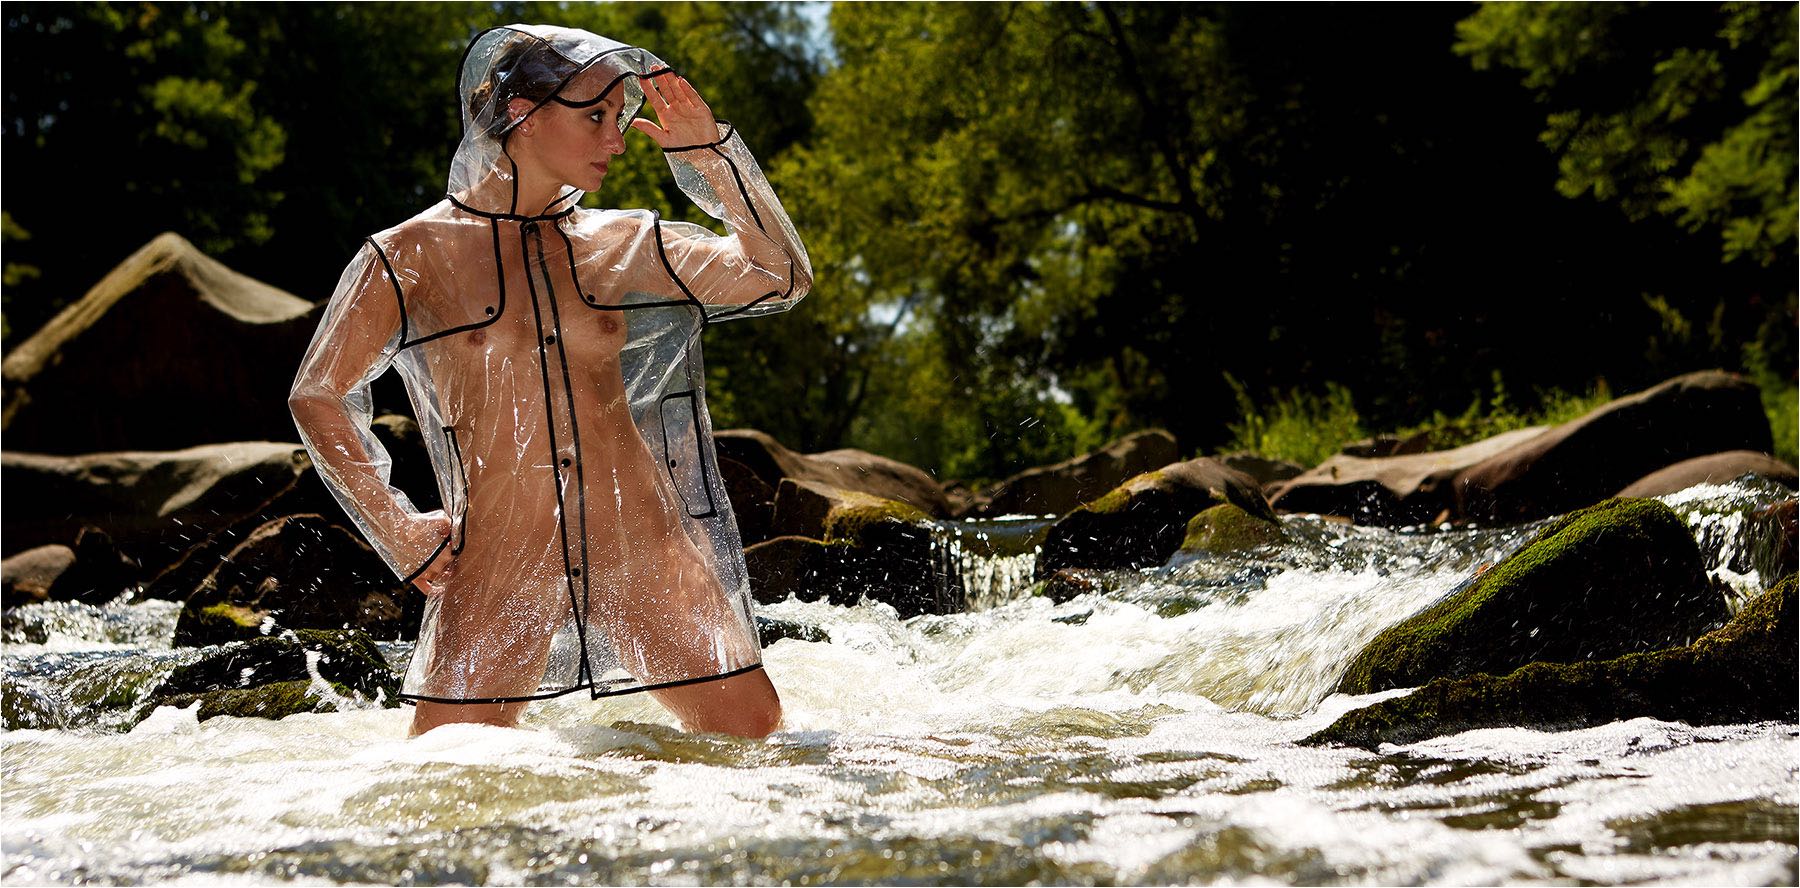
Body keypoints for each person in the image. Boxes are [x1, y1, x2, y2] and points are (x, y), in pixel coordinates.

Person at [288, 24, 811, 738]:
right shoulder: (408, 255)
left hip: (639, 543)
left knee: (754, 740)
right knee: (449, 779)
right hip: (502, 554)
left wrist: (710, 159)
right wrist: (399, 531)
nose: (618, 139)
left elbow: (777, 277)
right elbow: (319, 394)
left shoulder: (618, 243)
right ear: (521, 115)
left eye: (619, 118)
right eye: (595, 116)